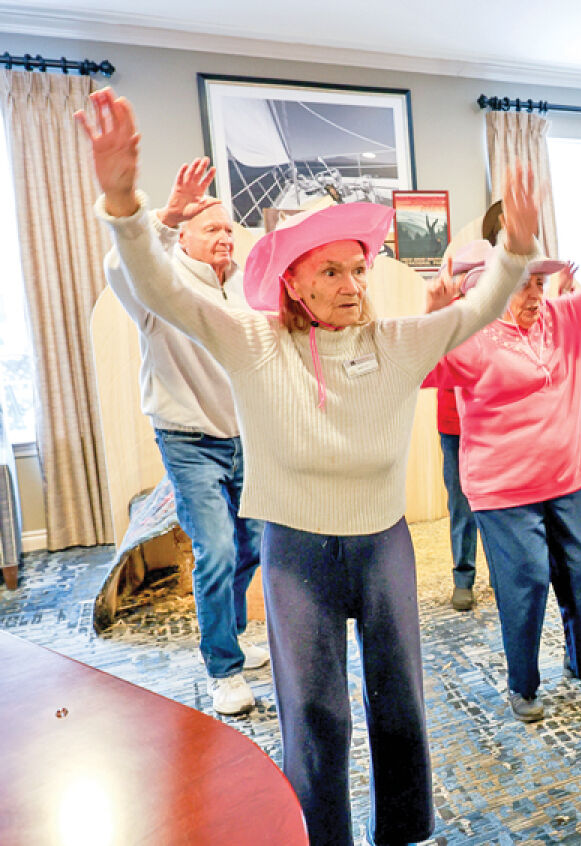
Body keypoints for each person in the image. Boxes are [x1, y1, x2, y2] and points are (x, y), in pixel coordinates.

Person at [78, 87, 540, 846]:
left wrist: (517, 248)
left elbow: (476, 309)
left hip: (383, 543)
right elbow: (159, 289)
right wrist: (124, 201)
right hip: (295, 550)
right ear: (292, 281)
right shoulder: (253, 342)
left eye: (356, 270)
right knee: (315, 713)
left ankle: (405, 830)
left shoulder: (397, 341)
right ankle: (318, 835)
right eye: (330, 273)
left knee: (400, 705)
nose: (351, 286)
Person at [424, 187, 581, 723]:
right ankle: (523, 683)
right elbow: (420, 371)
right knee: (528, 582)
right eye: (522, 283)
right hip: (502, 491)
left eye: (538, 281)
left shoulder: (568, 316)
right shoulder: (476, 332)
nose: (534, 292)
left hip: (564, 483)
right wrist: (434, 319)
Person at [100, 155, 267, 716]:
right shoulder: (160, 288)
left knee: (252, 545)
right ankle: (223, 668)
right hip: (187, 441)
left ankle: (235, 631)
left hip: (246, 439)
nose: (224, 237)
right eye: (212, 228)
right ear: (185, 239)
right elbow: (118, 265)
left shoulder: (245, 288)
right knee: (216, 549)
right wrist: (166, 215)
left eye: (228, 228)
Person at [426, 242, 493, 611]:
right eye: (466, 274)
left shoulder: (499, 313)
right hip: (453, 424)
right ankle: (463, 576)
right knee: (461, 503)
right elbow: (426, 363)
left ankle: (500, 573)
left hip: (494, 423)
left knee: (499, 502)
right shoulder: (445, 315)